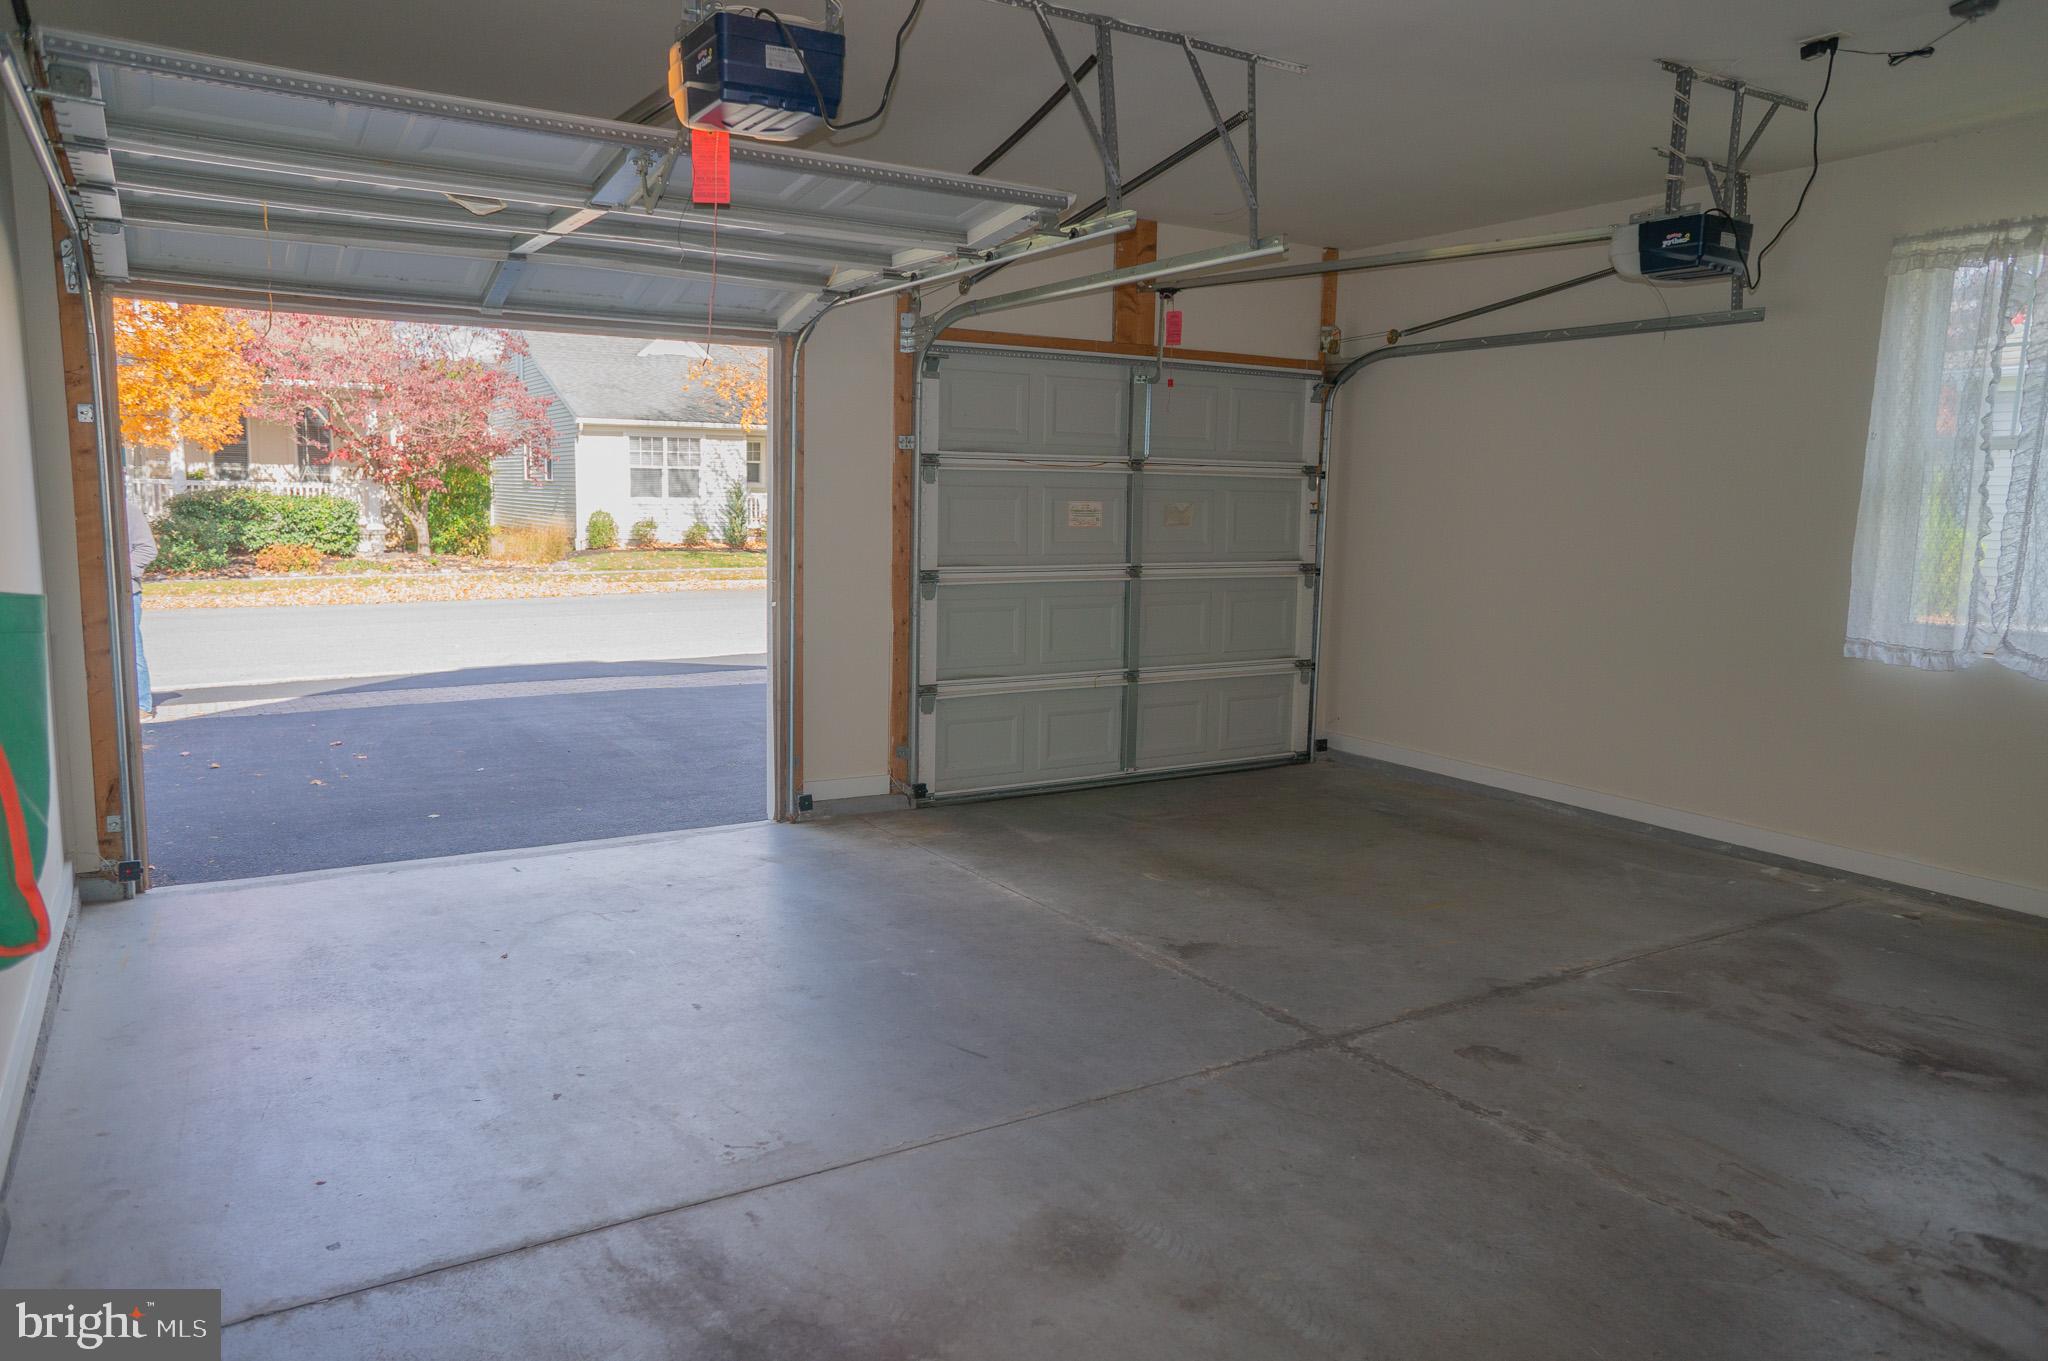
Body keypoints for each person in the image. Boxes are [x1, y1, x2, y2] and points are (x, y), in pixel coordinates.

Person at [126, 495, 156, 719]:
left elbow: (147, 549)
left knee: (132, 648)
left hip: (126, 593)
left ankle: (143, 704)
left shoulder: (127, 511)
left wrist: (121, 571)